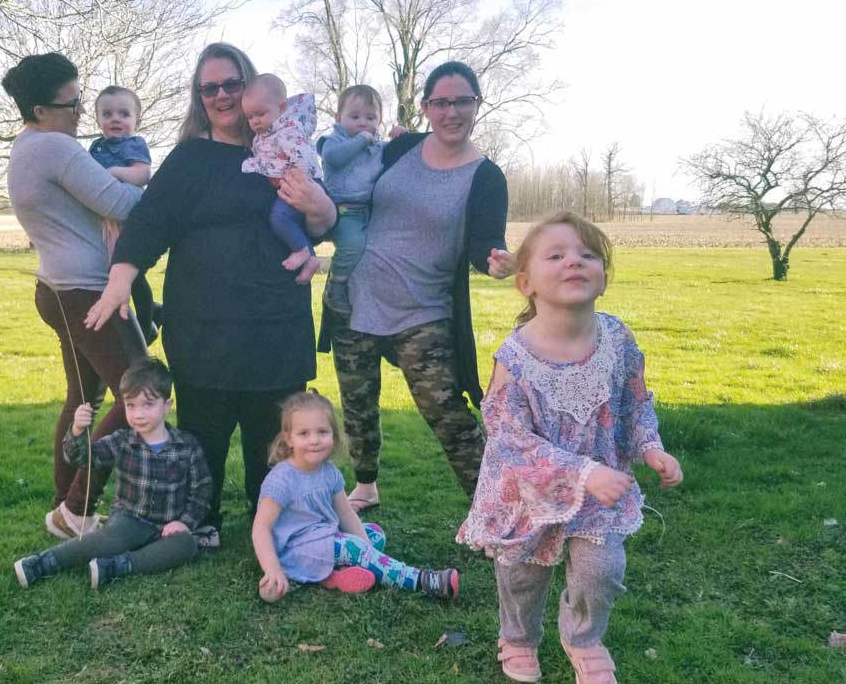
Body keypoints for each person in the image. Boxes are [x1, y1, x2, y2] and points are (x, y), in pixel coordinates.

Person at [85, 43, 337, 551]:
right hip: (203, 327)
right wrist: (120, 279)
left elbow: (322, 225)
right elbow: (150, 221)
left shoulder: (284, 148)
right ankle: (201, 518)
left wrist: (321, 206)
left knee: (274, 436)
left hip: (274, 323)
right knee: (204, 436)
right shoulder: (189, 159)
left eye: (231, 84)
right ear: (198, 97)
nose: (221, 96)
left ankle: (275, 519)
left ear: (251, 86)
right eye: (209, 88)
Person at [457, 212, 684, 684]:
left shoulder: (617, 339)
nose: (574, 262)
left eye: (588, 255)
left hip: (600, 488)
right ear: (525, 283)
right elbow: (508, 436)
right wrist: (581, 472)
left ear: (603, 277)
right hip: (527, 491)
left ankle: (583, 637)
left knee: (602, 569)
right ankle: (518, 637)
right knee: (522, 574)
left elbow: (635, 403)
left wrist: (650, 447)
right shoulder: (515, 357)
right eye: (556, 255)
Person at [319, 61, 516, 514]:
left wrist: (498, 260)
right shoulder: (401, 148)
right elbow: (348, 174)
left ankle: (497, 509)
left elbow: (485, 242)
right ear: (426, 107)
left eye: (462, 101)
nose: (452, 112)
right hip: (354, 296)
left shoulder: (486, 176)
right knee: (358, 401)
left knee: (446, 412)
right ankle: (366, 484)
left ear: (477, 105)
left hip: (423, 310)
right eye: (441, 102)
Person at [2, 53, 148, 540]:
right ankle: (74, 507)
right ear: (40, 110)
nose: (82, 111)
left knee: (82, 398)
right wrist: (160, 186)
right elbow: (120, 204)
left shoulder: (26, 145)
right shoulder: (57, 148)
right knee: (140, 393)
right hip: (86, 292)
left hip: (57, 289)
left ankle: (64, 507)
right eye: (73, 103)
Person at [14, 357, 212, 590]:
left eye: (147, 405)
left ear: (167, 405)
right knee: (112, 538)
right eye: (130, 405)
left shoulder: (187, 446)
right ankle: (42, 563)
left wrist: (184, 522)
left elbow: (202, 491)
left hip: (168, 527)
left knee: (187, 545)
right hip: (129, 522)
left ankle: (118, 566)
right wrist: (77, 430)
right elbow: (81, 459)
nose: (138, 414)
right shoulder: (121, 441)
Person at [251, 391, 459, 603]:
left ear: (333, 434)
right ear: (289, 438)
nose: (314, 440)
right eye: (304, 433)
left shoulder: (329, 472)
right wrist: (272, 569)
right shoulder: (281, 480)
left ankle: (333, 576)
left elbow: (346, 514)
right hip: (296, 551)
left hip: (325, 537)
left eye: (322, 432)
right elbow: (261, 527)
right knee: (353, 547)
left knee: (375, 534)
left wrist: (365, 549)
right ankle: (422, 580)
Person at [88, 85, 159, 345]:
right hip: (105, 221)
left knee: (132, 275)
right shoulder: (96, 147)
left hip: (128, 221)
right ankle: (126, 324)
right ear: (98, 119)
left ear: (136, 120)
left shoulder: (134, 144)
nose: (115, 119)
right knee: (108, 273)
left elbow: (143, 174)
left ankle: (146, 323)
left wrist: (114, 173)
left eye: (124, 114)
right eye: (107, 114)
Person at [241, 74, 323, 284]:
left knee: (280, 218)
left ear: (282, 107)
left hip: (302, 184)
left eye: (261, 114)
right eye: (249, 117)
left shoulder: (288, 130)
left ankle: (301, 250)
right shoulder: (266, 133)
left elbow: (303, 157)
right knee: (286, 219)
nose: (255, 121)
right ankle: (311, 259)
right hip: (292, 184)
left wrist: (299, 182)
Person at [317, 85, 389, 313]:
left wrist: (401, 136)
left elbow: (397, 154)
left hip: (368, 211)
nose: (363, 123)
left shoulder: (377, 146)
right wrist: (361, 141)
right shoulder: (334, 141)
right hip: (341, 210)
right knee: (353, 244)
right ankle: (336, 285)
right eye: (355, 117)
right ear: (339, 117)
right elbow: (333, 159)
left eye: (370, 118)